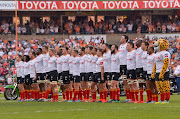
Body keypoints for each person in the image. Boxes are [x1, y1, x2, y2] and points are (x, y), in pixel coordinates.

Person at [152, 39, 171, 104]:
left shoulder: (165, 53)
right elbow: (155, 64)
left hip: (164, 72)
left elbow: (166, 63)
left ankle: (166, 99)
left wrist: (162, 73)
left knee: (165, 86)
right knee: (159, 87)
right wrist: (153, 72)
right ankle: (162, 99)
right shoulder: (157, 53)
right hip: (157, 71)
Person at [119, 35, 130, 103]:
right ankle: (127, 97)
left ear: (125, 39)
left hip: (126, 65)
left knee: (128, 82)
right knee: (124, 82)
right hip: (121, 65)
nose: (121, 38)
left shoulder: (126, 45)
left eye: (122, 37)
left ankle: (130, 97)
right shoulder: (120, 46)